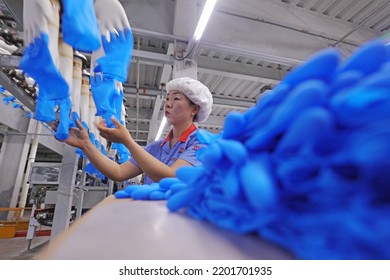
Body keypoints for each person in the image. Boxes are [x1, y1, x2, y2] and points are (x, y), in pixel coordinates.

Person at [60, 77, 213, 184]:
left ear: (194, 109)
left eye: (176, 99)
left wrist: (127, 141)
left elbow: (173, 177)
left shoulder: (201, 144)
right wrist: (86, 145)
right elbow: (119, 173)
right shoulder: (157, 147)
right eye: (167, 98)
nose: (168, 104)